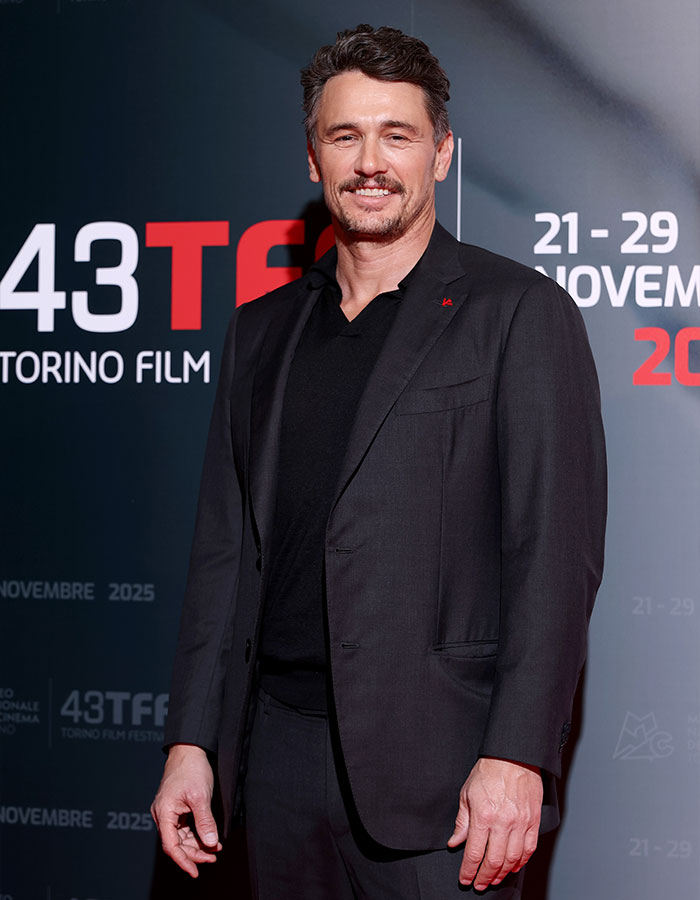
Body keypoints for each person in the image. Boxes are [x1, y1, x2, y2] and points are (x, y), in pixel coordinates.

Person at [151, 24, 607, 899]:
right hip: (275, 761)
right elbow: (223, 559)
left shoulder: (519, 314)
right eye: (344, 135)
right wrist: (191, 743)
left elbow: (554, 556)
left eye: (397, 135)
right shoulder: (261, 333)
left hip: (443, 776)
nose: (370, 161)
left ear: (441, 154)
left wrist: (515, 754)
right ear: (312, 156)